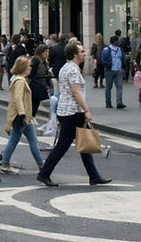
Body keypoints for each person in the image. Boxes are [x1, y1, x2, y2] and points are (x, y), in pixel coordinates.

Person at [36, 42, 111, 188]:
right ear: (75, 55)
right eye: (82, 51)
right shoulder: (72, 70)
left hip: (69, 111)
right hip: (72, 112)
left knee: (84, 144)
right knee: (63, 145)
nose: (84, 53)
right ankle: (44, 173)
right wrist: (87, 110)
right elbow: (76, 92)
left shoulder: (67, 67)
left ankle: (94, 176)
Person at [0, 56, 45, 175]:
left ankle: (5, 163)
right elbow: (18, 99)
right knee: (31, 141)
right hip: (21, 117)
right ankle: (42, 165)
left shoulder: (18, 79)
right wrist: (23, 114)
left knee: (14, 140)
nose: (31, 68)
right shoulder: (20, 81)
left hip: (20, 116)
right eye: (29, 66)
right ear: (23, 67)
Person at [101, 35, 126, 109]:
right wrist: (108, 64)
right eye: (116, 41)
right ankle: (108, 102)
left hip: (118, 70)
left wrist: (123, 67)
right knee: (109, 87)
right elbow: (103, 60)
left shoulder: (120, 49)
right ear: (113, 42)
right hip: (109, 70)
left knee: (119, 86)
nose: (117, 42)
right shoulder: (106, 49)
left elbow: (122, 59)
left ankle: (119, 102)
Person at [29, 44, 52, 117]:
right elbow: (31, 74)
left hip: (41, 86)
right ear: (41, 52)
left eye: (48, 51)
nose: (47, 53)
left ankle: (30, 121)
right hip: (35, 87)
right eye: (46, 51)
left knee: (35, 105)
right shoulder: (36, 60)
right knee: (33, 106)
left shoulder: (44, 61)